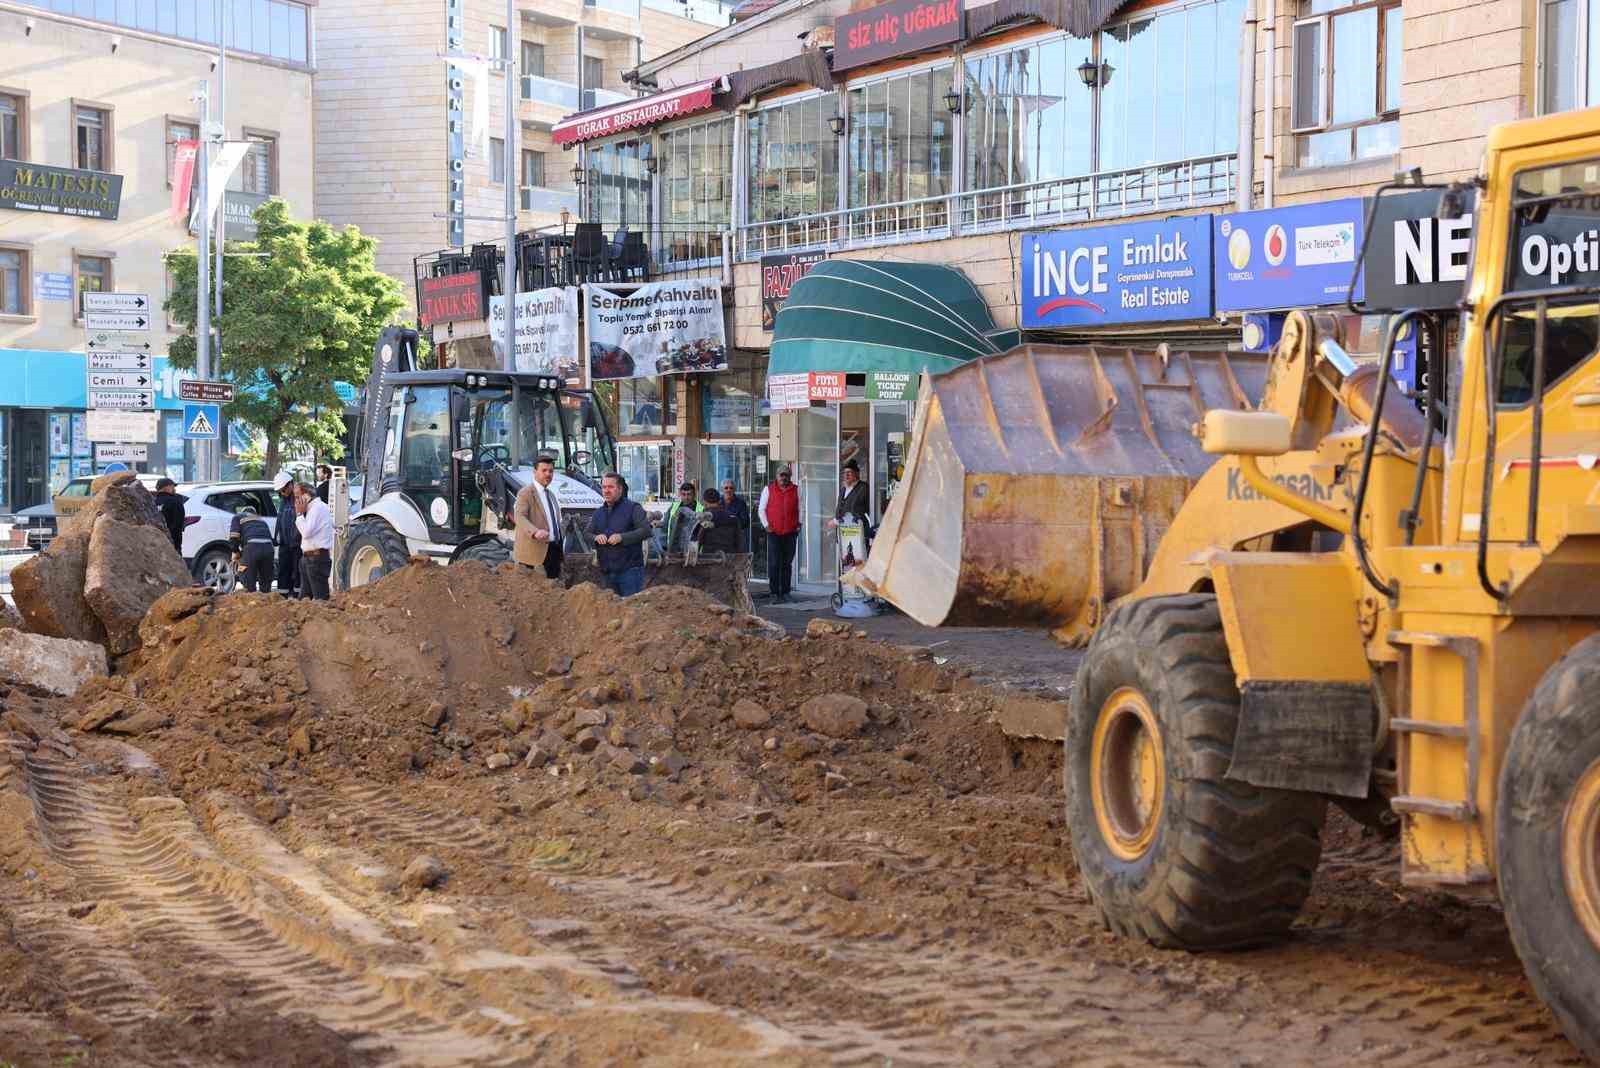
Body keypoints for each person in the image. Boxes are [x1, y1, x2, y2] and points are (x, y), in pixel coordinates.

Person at [585, 471, 651, 597]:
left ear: (620, 489)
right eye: (604, 487)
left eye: (611, 487)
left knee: (631, 610)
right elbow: (587, 534)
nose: (606, 491)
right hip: (607, 573)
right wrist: (596, 537)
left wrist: (622, 537)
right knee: (611, 612)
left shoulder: (633, 508)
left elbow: (646, 530)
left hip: (630, 573)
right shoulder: (598, 513)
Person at [513, 453, 564, 579]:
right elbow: (519, 517)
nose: (548, 474)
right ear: (535, 472)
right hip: (533, 553)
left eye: (551, 471)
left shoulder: (551, 494)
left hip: (553, 550)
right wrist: (535, 532)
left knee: (554, 590)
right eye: (544, 470)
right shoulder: (525, 493)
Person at [758, 465, 799, 604]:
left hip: (790, 532)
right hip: (774, 532)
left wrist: (800, 524)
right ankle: (774, 593)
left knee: (787, 563)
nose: (783, 477)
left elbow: (802, 507)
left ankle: (786, 592)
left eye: (786, 475)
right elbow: (761, 509)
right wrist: (766, 525)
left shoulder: (796, 490)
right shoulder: (768, 489)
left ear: (790, 476)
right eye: (781, 475)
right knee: (774, 563)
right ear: (776, 476)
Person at [294, 482, 334, 600]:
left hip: (316, 559)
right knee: (305, 598)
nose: (295, 501)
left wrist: (299, 515)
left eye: (297, 496)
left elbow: (306, 532)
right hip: (309, 559)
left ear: (306, 495)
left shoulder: (317, 508)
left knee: (320, 599)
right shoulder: (313, 509)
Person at [229, 505, 275, 593]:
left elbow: (234, 539)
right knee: (266, 583)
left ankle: (251, 599)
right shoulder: (262, 520)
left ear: (243, 511)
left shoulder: (237, 517)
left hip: (251, 549)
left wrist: (236, 552)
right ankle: (266, 602)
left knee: (247, 581)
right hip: (269, 549)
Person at [272, 470, 301, 597]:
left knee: (297, 572)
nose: (282, 493)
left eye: (283, 490)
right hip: (285, 544)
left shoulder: (299, 497)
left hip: (297, 544)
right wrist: (276, 536)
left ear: (290, 484)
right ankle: (282, 597)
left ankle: (297, 597)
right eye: (280, 492)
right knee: (283, 571)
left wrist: (297, 539)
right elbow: (280, 519)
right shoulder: (283, 501)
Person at [693, 487, 741, 554]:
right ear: (719, 501)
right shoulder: (732, 517)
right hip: (730, 557)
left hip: (710, 558)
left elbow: (698, 541)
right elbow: (738, 542)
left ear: (704, 502)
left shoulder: (704, 519)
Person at [662, 481, 703, 556]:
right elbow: (665, 526)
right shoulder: (673, 507)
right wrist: (664, 545)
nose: (686, 497)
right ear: (680, 494)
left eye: (689, 494)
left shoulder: (700, 509)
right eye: (683, 494)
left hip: (692, 550)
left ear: (694, 495)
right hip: (673, 548)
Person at [153, 478, 187, 555]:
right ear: (165, 487)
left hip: (155, 542)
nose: (174, 489)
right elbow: (178, 523)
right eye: (172, 486)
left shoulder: (152, 501)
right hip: (172, 544)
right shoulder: (175, 501)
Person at [833, 459, 870, 527]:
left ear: (856, 473)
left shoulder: (864, 488)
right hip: (843, 533)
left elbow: (867, 511)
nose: (846, 475)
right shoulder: (843, 490)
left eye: (849, 472)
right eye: (844, 472)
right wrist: (835, 520)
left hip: (858, 531)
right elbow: (839, 510)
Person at [720, 479, 751, 552]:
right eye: (726, 488)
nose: (728, 490)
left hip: (736, 538)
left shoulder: (741, 503)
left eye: (731, 488)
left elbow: (745, 522)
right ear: (722, 490)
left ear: (734, 490)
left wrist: (732, 520)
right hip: (720, 538)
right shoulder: (718, 502)